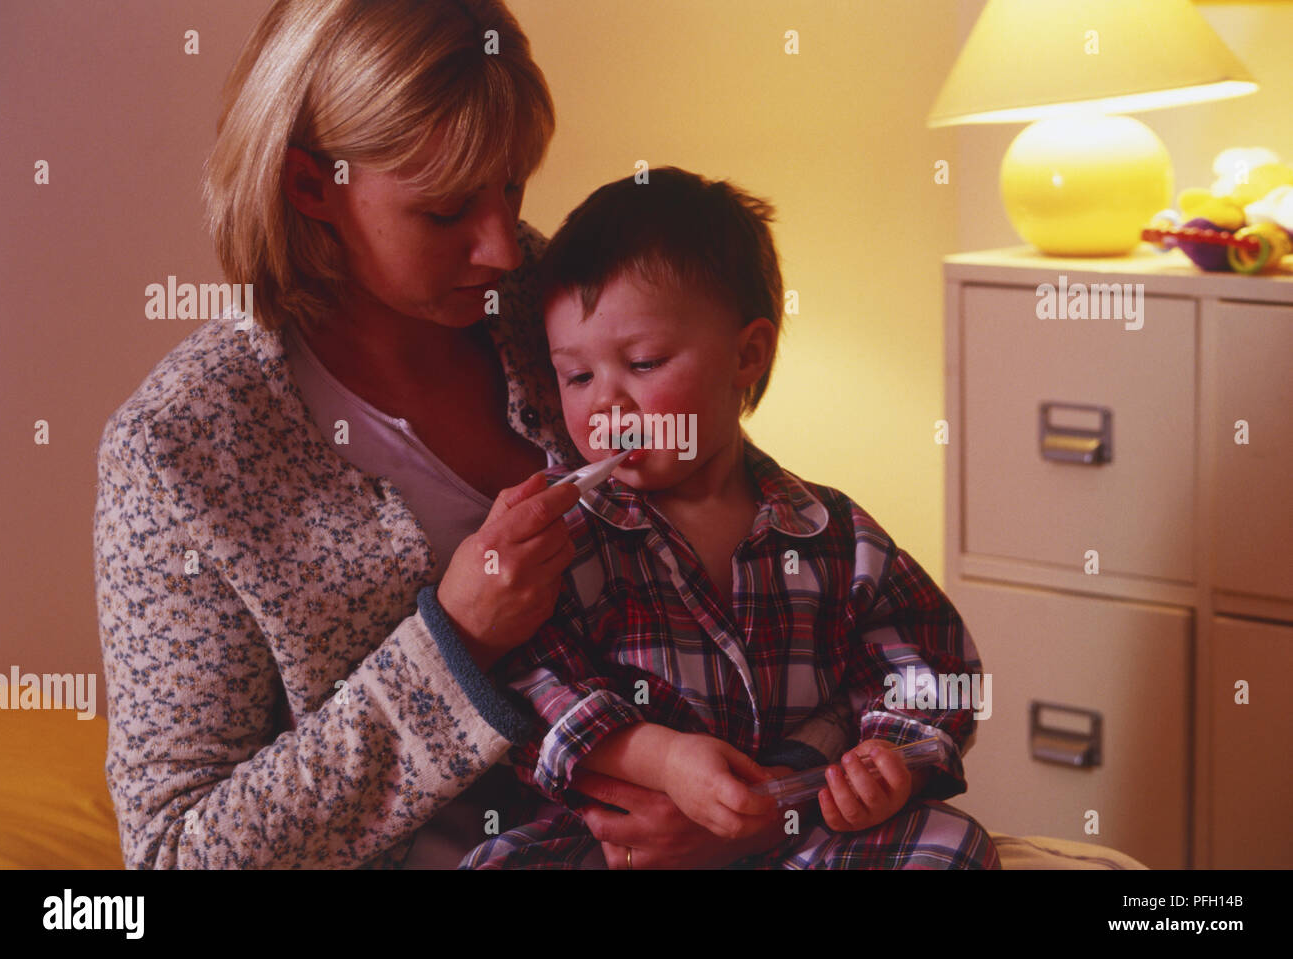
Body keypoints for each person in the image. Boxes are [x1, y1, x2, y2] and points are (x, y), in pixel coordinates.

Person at [94, 0, 787, 869]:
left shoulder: (557, 306)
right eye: (447, 210)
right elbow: (173, 857)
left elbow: (761, 571)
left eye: (512, 186)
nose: (502, 246)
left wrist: (756, 807)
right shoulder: (180, 453)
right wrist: (456, 641)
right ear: (312, 186)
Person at [461, 168, 1001, 868]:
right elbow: (526, 681)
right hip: (619, 844)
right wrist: (663, 759)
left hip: (802, 828)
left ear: (748, 354)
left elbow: (931, 660)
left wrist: (887, 758)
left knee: (951, 844)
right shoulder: (565, 536)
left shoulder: (834, 532)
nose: (605, 405)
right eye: (577, 376)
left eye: (644, 362)